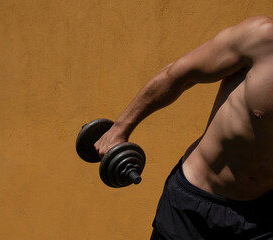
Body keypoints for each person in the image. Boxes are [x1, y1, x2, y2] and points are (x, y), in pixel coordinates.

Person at [94, 15, 273, 239]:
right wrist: (119, 130)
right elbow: (179, 75)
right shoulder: (262, 38)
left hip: (263, 214)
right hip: (195, 204)